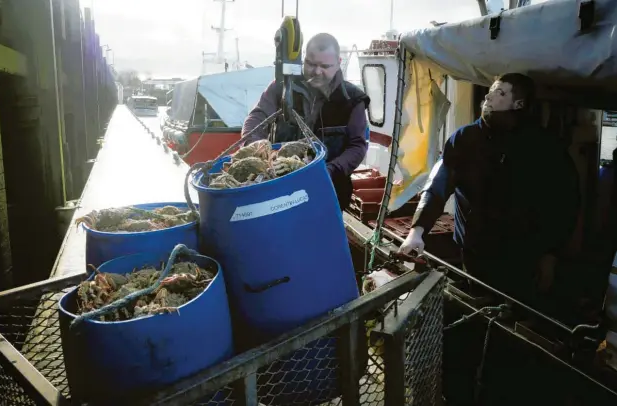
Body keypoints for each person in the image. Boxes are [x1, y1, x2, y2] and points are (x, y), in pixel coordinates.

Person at [397, 73, 580, 301]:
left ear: (519, 104)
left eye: (500, 92)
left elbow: (563, 203)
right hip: (475, 253)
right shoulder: (465, 139)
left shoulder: (543, 146)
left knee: (517, 315)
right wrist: (417, 231)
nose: (489, 96)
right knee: (478, 310)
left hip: (525, 256)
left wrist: (551, 255)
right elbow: (438, 186)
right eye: (491, 89)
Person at [241, 33, 370, 211]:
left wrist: (330, 170)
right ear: (304, 58)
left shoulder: (353, 99)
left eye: (325, 66)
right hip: (278, 188)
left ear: (339, 62)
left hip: (328, 189)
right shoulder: (282, 87)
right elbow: (257, 117)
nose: (317, 71)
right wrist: (256, 148)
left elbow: (357, 146)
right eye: (311, 64)